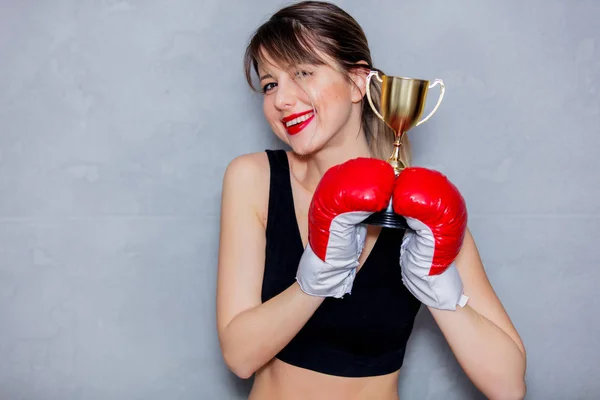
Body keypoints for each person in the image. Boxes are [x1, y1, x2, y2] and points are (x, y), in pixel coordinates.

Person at [216, 1, 527, 399]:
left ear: (357, 83)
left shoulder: (420, 207)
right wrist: (315, 282)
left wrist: (438, 288)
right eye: (271, 83)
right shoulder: (254, 178)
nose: (281, 99)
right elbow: (239, 356)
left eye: (303, 73)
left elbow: (509, 386)